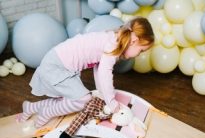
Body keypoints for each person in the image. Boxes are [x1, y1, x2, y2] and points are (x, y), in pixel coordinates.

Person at [18, 16, 154, 128]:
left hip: (57, 62)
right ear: (134, 41)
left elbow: (99, 69)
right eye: (141, 50)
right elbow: (105, 74)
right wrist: (111, 103)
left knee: (66, 100)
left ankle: (30, 107)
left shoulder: (112, 39)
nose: (139, 54)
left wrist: (102, 93)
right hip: (57, 65)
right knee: (83, 100)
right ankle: (47, 112)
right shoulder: (112, 45)